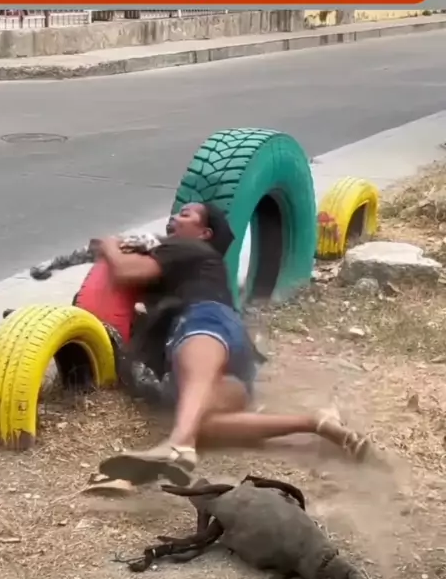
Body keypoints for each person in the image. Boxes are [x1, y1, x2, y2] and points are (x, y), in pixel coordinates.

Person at [92, 202, 371, 489]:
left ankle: (178, 444)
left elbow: (126, 272)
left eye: (185, 215)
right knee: (203, 423)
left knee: (190, 410)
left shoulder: (188, 248)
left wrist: (110, 245)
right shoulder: (196, 261)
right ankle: (316, 422)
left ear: (205, 233)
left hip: (205, 322)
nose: (175, 217)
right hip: (237, 355)